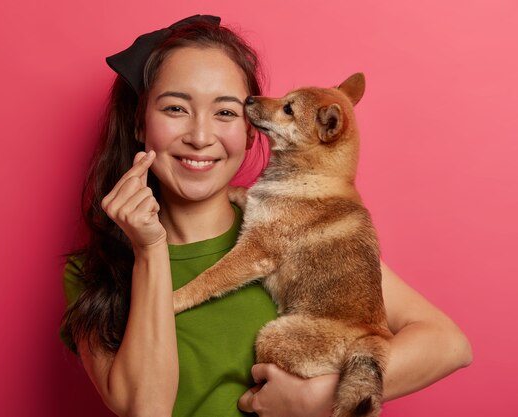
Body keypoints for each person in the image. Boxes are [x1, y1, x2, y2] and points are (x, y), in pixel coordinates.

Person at [60, 15, 472, 417]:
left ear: (252, 129)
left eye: (224, 112)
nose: (200, 137)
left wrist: (320, 396)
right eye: (175, 109)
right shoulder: (93, 274)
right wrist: (150, 249)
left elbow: (448, 343)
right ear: (139, 124)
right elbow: (146, 409)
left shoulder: (310, 233)